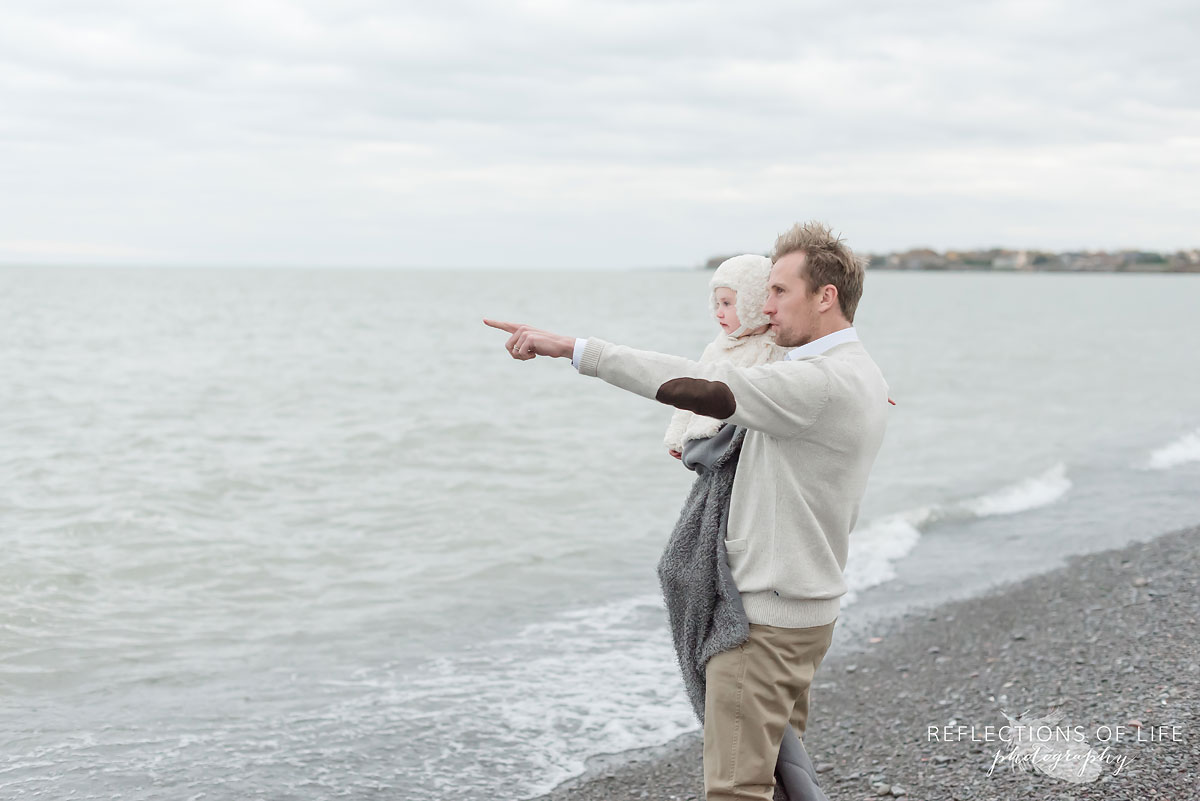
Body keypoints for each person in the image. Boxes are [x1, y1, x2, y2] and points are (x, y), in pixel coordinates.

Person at [483, 220, 891, 801]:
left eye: (780, 291)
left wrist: (577, 350)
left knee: (735, 788)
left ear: (825, 296)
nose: (765, 305)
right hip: (807, 609)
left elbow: (706, 384)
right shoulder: (859, 372)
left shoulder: (816, 384)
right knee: (782, 780)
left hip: (765, 621)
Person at [663, 254, 788, 460]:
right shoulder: (717, 347)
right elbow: (691, 394)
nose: (719, 313)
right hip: (701, 445)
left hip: (737, 450)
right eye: (718, 303)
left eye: (727, 304)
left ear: (754, 303)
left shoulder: (774, 347)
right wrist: (677, 438)